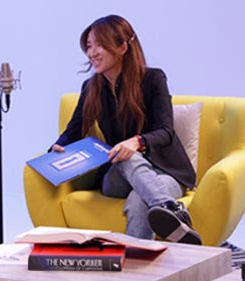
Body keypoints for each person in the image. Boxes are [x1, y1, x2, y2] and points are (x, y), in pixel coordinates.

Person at [51, 15, 202, 245]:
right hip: (117, 175)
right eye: (89, 46)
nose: (92, 53)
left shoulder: (153, 79)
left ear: (122, 47)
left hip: (167, 173)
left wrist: (137, 142)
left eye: (99, 44)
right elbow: (74, 130)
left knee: (139, 201)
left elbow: (165, 131)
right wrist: (58, 146)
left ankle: (136, 266)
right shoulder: (91, 87)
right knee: (123, 155)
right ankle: (171, 208)